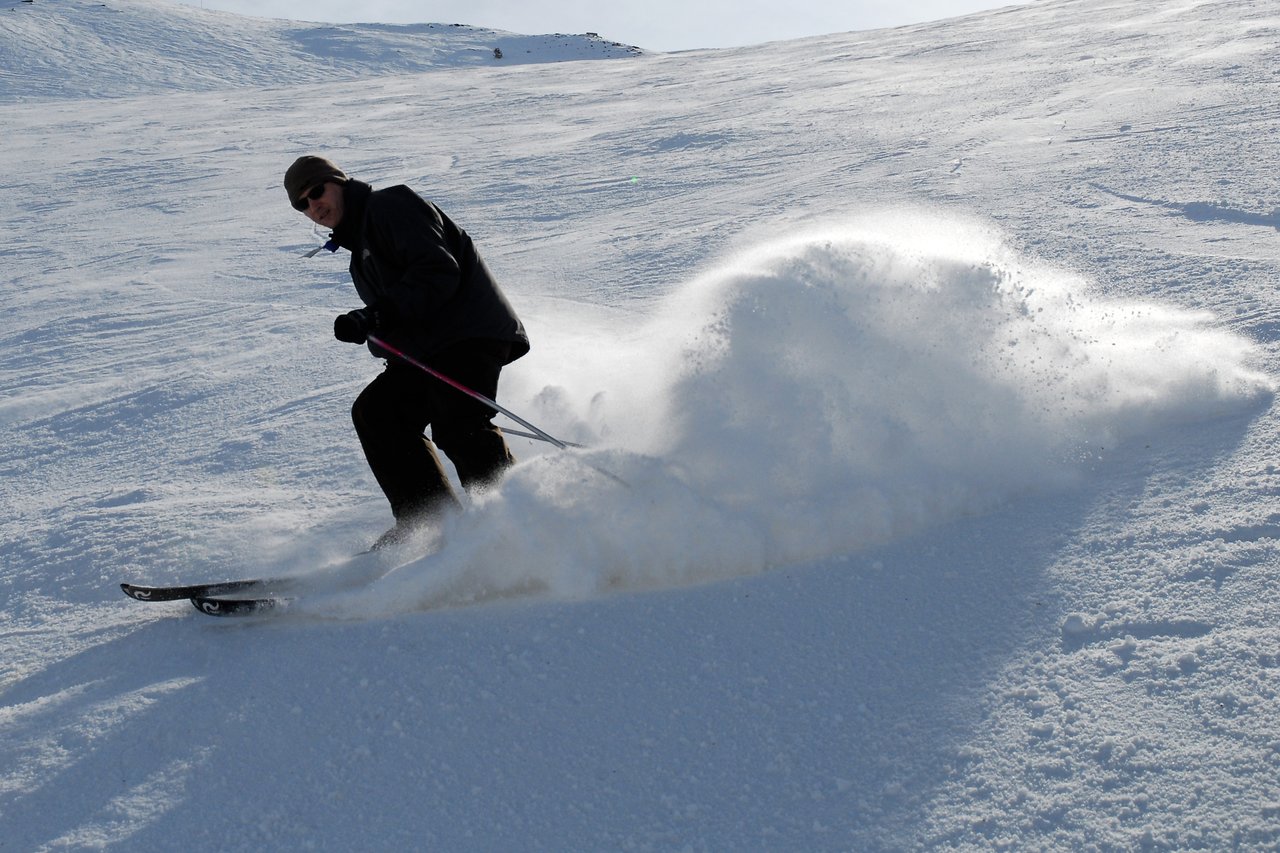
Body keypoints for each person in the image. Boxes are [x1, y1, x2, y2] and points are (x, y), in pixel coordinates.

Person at [284, 155, 530, 549]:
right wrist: (378, 335)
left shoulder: (390, 205)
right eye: (302, 204)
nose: (314, 206)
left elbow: (436, 271)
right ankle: (431, 526)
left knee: (458, 423)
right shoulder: (359, 252)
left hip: (467, 334)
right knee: (377, 412)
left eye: (317, 192)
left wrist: (376, 314)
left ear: (339, 183)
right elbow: (402, 313)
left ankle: (523, 525)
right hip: (432, 350)